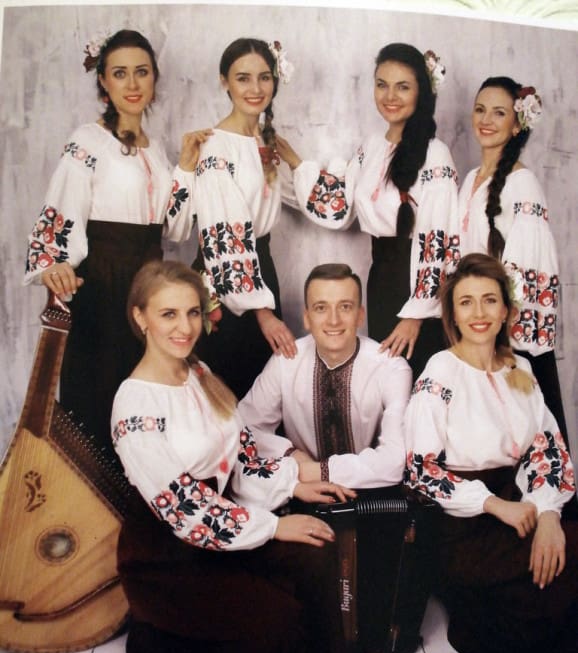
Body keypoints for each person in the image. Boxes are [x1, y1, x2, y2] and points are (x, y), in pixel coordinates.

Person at [111, 259, 354, 653]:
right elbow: (185, 509)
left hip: (223, 523)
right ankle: (158, 643)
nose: (184, 328)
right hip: (168, 555)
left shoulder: (198, 372)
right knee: (275, 617)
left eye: (192, 313)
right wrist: (274, 525)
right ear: (140, 317)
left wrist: (291, 484)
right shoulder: (134, 406)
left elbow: (239, 451)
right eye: (168, 314)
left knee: (314, 554)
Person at [404, 252, 578, 653]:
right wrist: (493, 504)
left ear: (505, 311)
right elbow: (421, 470)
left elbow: (547, 449)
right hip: (465, 527)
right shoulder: (440, 372)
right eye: (466, 302)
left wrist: (548, 514)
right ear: (453, 315)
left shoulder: (521, 369)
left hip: (521, 506)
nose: (478, 313)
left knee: (565, 553)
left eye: (489, 300)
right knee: (547, 593)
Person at [24, 29, 196, 453]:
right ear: (103, 80)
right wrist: (54, 263)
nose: (132, 84)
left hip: (149, 286)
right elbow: (61, 210)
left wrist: (187, 169)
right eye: (120, 73)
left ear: (154, 77)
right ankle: (93, 494)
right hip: (103, 284)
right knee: (100, 398)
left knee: (146, 401)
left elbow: (173, 229)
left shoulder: (157, 150)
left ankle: (141, 491)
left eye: (142, 72)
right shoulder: (88, 141)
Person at [277, 43, 460, 379]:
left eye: (402, 87)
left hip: (415, 287)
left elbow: (440, 239)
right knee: (387, 380)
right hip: (381, 281)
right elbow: (340, 205)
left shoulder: (435, 154)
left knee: (419, 377)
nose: (390, 96)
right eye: (381, 84)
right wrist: (292, 162)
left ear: (422, 90)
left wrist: (416, 315)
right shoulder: (373, 146)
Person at [171, 37, 298, 399]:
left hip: (261, 271)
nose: (255, 89)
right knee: (231, 388)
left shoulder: (265, 142)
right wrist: (262, 312)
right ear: (224, 81)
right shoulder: (216, 147)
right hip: (226, 281)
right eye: (243, 78)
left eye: (264, 77)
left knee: (264, 391)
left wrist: (296, 161)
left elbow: (300, 197)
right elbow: (224, 235)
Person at [459, 76, 569, 440]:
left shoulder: (523, 185)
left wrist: (504, 338)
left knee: (524, 435)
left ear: (517, 124)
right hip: (475, 329)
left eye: (499, 112)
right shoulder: (471, 179)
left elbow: (529, 268)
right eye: (480, 109)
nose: (486, 120)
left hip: (507, 337)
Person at [238, 262, 412, 489]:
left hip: (373, 494)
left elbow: (394, 462)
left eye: (345, 307)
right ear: (306, 318)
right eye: (321, 308)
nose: (333, 320)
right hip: (302, 493)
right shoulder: (285, 362)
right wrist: (291, 455)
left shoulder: (391, 368)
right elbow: (243, 429)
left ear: (360, 316)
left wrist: (317, 471)